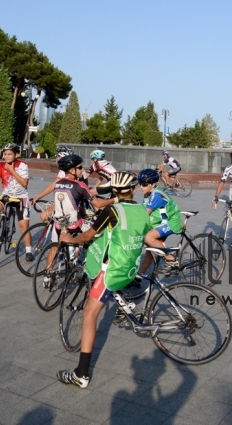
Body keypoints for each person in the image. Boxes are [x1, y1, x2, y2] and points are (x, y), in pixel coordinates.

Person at [57, 171, 151, 388]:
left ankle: (81, 374)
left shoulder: (112, 210)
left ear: (114, 192)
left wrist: (70, 239)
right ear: (134, 190)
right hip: (133, 265)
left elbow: (88, 236)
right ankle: (123, 307)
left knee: (90, 313)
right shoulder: (142, 210)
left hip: (114, 270)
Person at [43, 154, 110, 289]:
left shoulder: (58, 184)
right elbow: (98, 203)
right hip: (74, 225)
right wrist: (115, 200)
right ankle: (84, 266)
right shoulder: (80, 185)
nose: (82, 170)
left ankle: (47, 276)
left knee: (54, 247)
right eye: (79, 168)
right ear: (72, 170)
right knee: (96, 234)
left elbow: (67, 203)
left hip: (58, 224)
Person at [0, 143, 33, 261]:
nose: (6, 156)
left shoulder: (23, 166)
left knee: (24, 226)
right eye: (5, 154)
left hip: (20, 198)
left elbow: (24, 183)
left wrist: (12, 170)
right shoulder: (1, 165)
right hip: (6, 196)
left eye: (9, 154)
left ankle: (28, 251)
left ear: (16, 154)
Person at [136, 168, 184, 275]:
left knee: (149, 237)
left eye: (144, 184)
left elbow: (145, 214)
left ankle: (171, 259)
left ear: (153, 184)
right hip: (162, 222)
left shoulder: (156, 195)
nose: (141, 187)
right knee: (150, 251)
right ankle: (139, 276)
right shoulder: (148, 193)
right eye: (140, 184)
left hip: (172, 222)